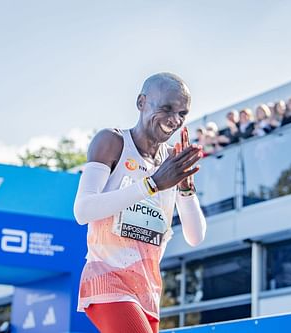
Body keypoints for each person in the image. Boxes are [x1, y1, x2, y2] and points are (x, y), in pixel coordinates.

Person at [73, 73, 207, 333]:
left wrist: (186, 189)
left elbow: (195, 237)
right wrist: (153, 184)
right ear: (141, 102)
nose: (174, 120)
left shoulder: (173, 159)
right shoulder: (112, 142)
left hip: (147, 290)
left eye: (182, 113)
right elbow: (83, 211)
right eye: (166, 108)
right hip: (107, 280)